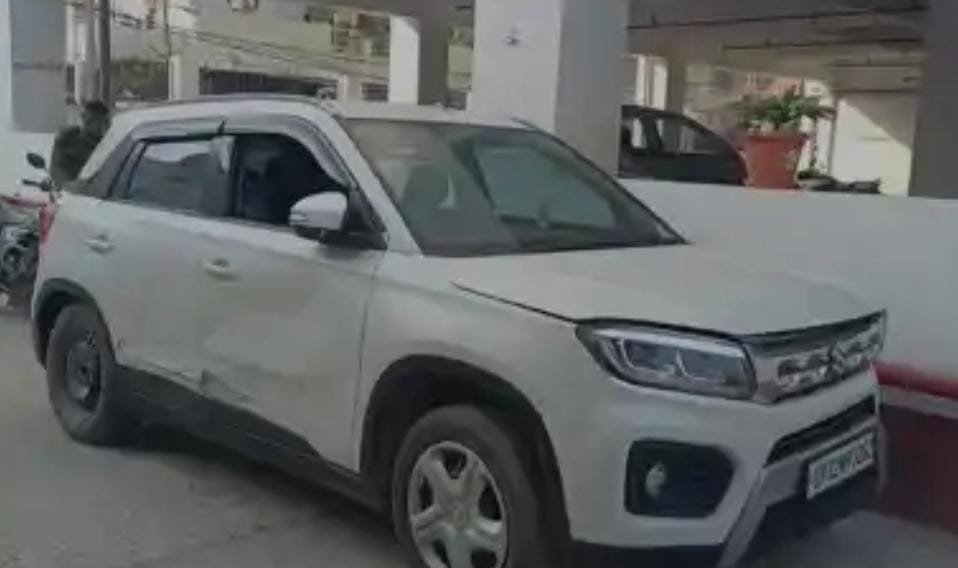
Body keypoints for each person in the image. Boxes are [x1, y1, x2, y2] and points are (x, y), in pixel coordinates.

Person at [50, 101, 111, 185]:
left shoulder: (111, 143)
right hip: (74, 189)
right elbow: (58, 171)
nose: (104, 126)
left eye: (106, 122)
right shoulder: (68, 140)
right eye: (99, 122)